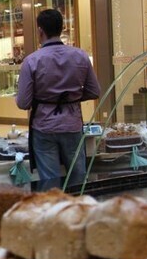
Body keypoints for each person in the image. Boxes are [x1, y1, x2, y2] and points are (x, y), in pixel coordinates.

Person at [16, 9, 101, 185]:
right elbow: (94, 91)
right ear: (61, 29)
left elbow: (23, 102)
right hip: (72, 124)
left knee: (50, 181)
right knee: (78, 177)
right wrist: (73, 97)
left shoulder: (32, 61)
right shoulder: (80, 56)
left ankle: (54, 210)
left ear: (40, 31)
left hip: (44, 126)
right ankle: (78, 209)